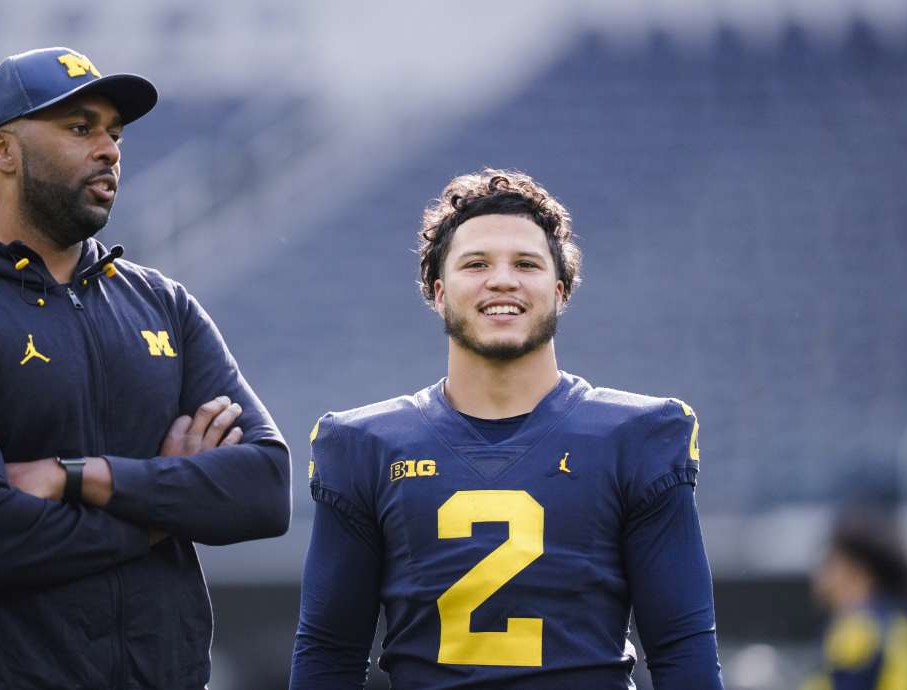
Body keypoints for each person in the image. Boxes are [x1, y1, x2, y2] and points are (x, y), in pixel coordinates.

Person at [0, 47, 291, 690]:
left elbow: (263, 490)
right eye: (80, 128)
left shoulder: (160, 302)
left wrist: (80, 477)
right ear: (1, 149)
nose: (110, 149)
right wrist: (166, 502)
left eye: (114, 132)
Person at [289, 169, 723, 689]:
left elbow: (683, 648)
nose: (502, 280)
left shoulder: (637, 436)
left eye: (526, 264)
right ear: (438, 292)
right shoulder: (365, 446)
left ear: (560, 291)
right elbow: (329, 654)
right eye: (476, 264)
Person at [801, 511, 907, 690]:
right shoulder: (900, 624)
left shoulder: (857, 632)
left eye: (830, 562)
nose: (820, 573)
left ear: (857, 571)